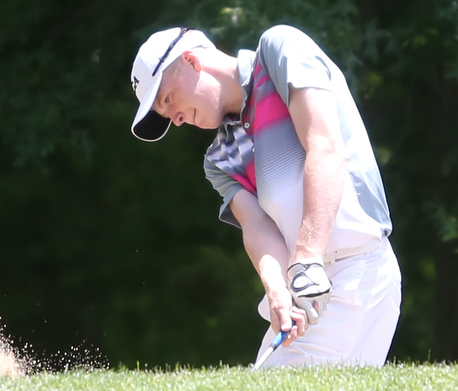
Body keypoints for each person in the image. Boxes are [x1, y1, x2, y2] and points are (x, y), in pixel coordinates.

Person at [129, 25, 402, 367]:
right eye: (168, 116)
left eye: (168, 100)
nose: (177, 119)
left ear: (191, 61)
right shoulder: (220, 159)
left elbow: (325, 146)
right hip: (313, 290)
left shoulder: (278, 51)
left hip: (359, 269)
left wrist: (307, 259)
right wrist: (277, 289)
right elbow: (258, 227)